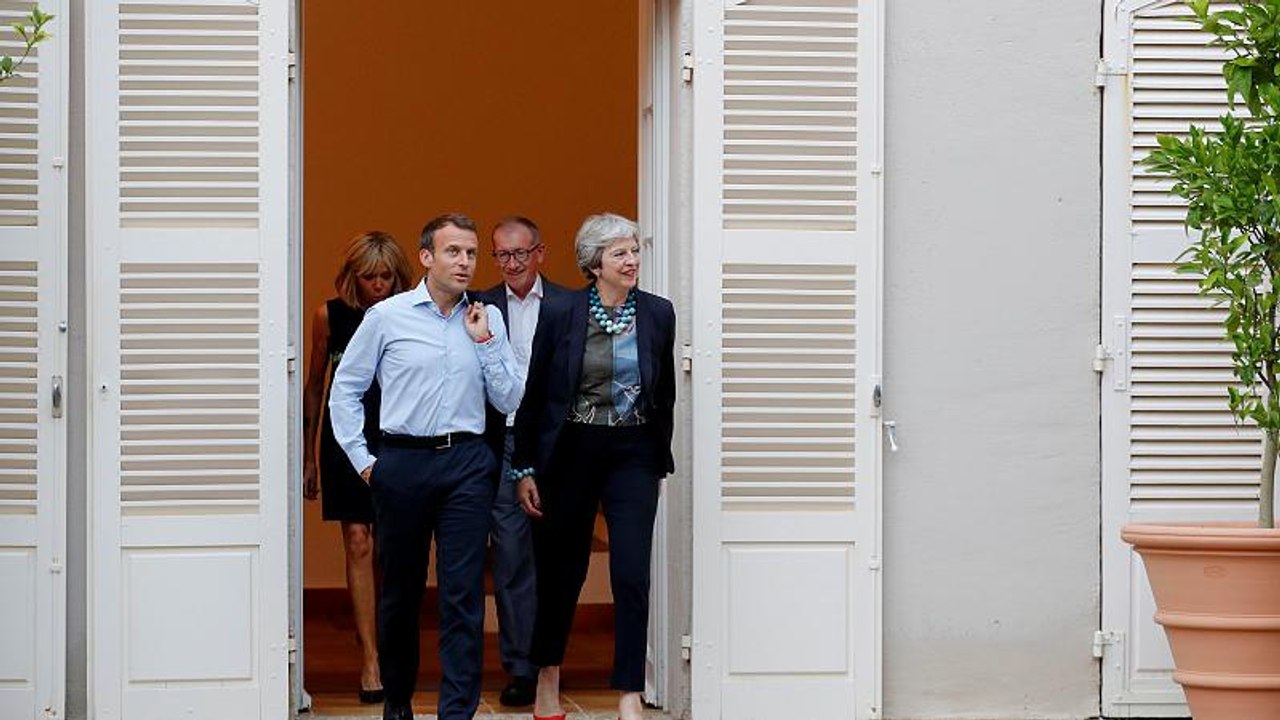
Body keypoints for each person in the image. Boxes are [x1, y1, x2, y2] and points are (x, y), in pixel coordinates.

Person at [329, 213, 524, 720]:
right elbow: (345, 390)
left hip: (466, 463)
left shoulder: (487, 317)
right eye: (454, 251)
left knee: (462, 596)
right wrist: (365, 462)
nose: (464, 262)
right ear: (426, 258)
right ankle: (397, 704)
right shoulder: (387, 317)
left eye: (471, 253)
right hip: (402, 463)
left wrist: (484, 342)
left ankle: (456, 711)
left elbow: (508, 399)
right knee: (401, 593)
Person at [512, 213, 676, 720]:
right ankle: (548, 676)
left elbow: (663, 392)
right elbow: (536, 391)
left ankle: (629, 690)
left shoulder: (657, 313)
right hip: (571, 451)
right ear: (594, 262)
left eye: (634, 251)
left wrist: (656, 455)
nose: (632, 261)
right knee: (563, 571)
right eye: (620, 253)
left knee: (630, 572)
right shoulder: (562, 312)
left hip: (632, 454)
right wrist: (524, 468)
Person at [302, 230, 414, 704]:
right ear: (353, 276)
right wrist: (308, 455)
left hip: (400, 437)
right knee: (358, 540)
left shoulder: (411, 314)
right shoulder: (329, 315)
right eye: (369, 276)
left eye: (386, 276)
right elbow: (313, 385)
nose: (378, 285)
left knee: (395, 545)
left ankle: (389, 643)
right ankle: (370, 658)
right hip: (345, 438)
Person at [476, 216, 568, 707]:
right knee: (510, 556)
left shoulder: (570, 304)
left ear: (540, 253)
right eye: (502, 255)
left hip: (557, 444)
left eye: (520, 253)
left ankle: (553, 661)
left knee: (556, 555)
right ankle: (521, 668)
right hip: (503, 441)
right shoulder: (481, 306)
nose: (512, 263)